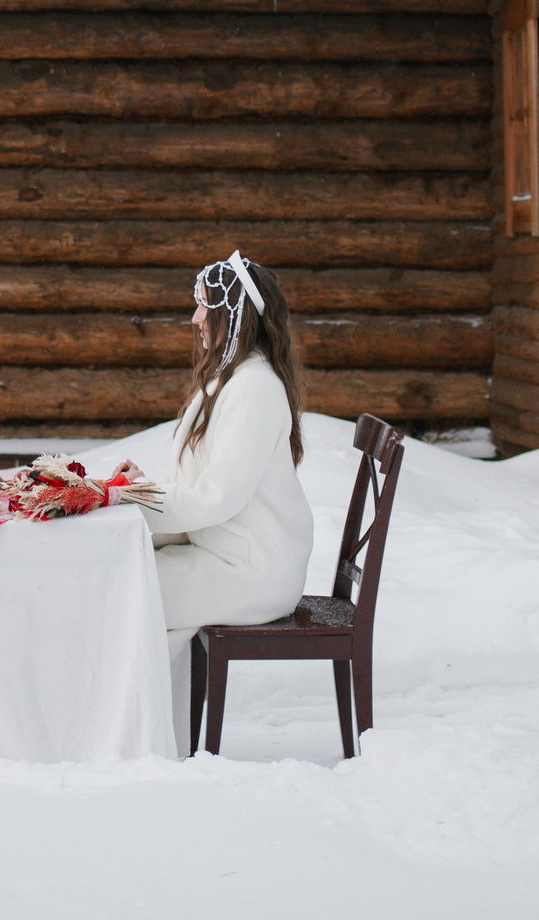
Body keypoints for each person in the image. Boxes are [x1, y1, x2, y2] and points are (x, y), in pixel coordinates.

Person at [141, 252, 313, 737]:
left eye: (205, 306)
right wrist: (141, 492)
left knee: (120, 585)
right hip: (226, 554)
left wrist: (136, 507)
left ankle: (135, 732)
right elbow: (205, 484)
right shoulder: (231, 380)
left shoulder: (253, 388)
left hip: (252, 570)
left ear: (234, 313)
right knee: (121, 574)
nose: (195, 318)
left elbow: (216, 497)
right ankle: (147, 727)